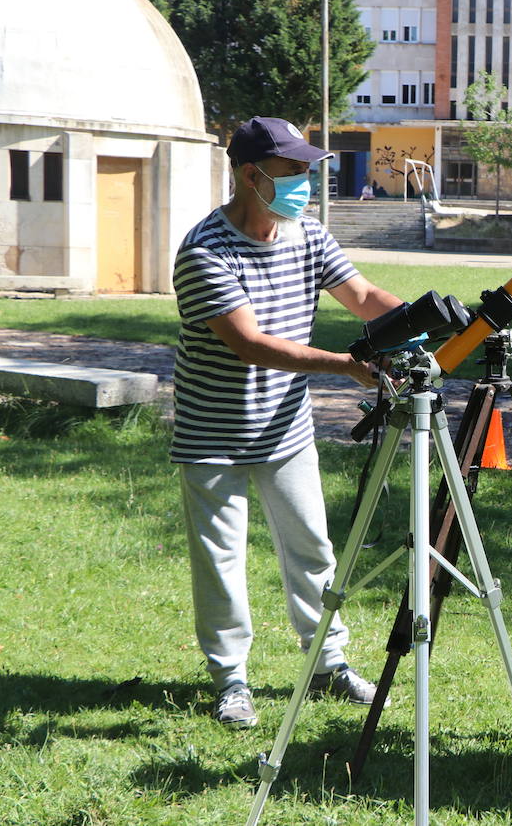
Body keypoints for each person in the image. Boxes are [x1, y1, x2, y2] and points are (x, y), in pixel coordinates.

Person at [172, 117, 407, 728]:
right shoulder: (203, 252)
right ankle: (231, 680)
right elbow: (250, 344)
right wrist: (345, 364)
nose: (306, 180)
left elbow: (362, 296)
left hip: (286, 429)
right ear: (251, 176)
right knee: (221, 559)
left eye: (308, 168)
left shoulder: (307, 233)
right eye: (293, 169)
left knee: (311, 549)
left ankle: (326, 663)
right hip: (212, 431)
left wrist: (422, 320)